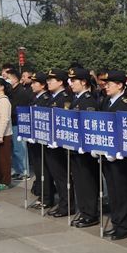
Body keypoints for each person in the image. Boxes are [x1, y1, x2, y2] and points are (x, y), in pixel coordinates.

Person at [100, 70, 127, 240]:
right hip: (108, 154)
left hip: (121, 158)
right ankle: (116, 222)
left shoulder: (126, 105)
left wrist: (118, 151)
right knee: (113, 191)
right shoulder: (107, 102)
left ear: (120, 85)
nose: (106, 87)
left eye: (109, 84)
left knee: (122, 192)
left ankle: (124, 226)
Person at [67, 67, 100, 228]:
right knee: (79, 181)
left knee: (87, 181)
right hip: (75, 148)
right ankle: (84, 211)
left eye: (74, 81)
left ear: (83, 82)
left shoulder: (88, 100)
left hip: (85, 150)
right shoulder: (76, 99)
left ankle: (90, 213)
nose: (71, 84)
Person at [44, 69, 73, 217]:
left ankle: (67, 205)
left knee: (62, 176)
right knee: (56, 176)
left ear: (61, 82)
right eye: (48, 80)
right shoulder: (52, 97)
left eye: (51, 80)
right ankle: (62, 203)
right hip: (50, 142)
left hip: (60, 144)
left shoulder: (65, 98)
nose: (48, 82)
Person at [27, 73, 55, 209]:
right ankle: (43, 194)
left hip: (42, 140)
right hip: (34, 139)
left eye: (34, 83)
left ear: (42, 85)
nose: (32, 85)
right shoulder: (35, 98)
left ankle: (47, 197)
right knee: (39, 169)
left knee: (44, 170)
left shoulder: (45, 99)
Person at [3, 69, 32, 181]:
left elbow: (17, 108)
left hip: (19, 123)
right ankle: (17, 170)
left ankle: (24, 171)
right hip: (12, 122)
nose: (6, 80)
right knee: (14, 149)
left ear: (15, 79)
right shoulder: (11, 91)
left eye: (8, 78)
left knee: (20, 148)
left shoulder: (21, 92)